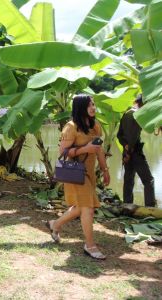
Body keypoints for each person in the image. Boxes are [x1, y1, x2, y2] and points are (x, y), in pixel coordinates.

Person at [46, 95, 110, 260]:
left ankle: (55, 224)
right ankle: (89, 245)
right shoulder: (71, 127)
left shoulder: (95, 126)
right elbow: (63, 153)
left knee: (81, 207)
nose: (93, 107)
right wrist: (85, 149)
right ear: (80, 107)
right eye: (89, 105)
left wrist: (104, 169)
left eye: (94, 104)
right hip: (75, 172)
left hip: (89, 173)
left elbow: (99, 149)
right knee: (87, 208)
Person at [117, 95, 156, 207]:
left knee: (129, 181)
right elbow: (133, 137)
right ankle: (150, 207)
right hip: (135, 153)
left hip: (128, 152)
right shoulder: (137, 114)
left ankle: (127, 205)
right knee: (149, 180)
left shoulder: (127, 113)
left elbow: (119, 135)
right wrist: (130, 150)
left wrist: (125, 147)